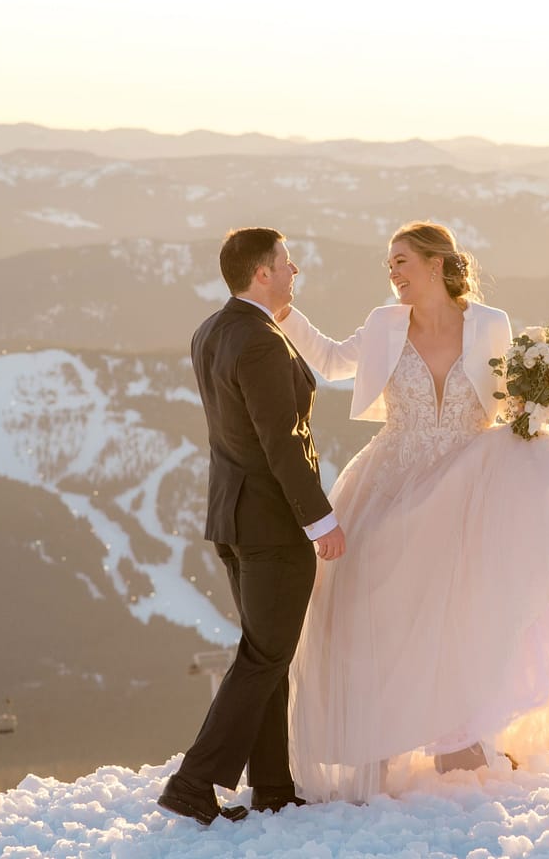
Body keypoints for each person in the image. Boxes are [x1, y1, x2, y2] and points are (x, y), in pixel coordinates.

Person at [276, 221, 549, 803]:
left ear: (437, 264)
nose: (392, 273)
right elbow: (329, 360)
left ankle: (457, 736)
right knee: (380, 602)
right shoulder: (384, 324)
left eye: (401, 262)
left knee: (465, 607)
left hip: (472, 481)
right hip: (394, 479)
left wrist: (541, 403)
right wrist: (281, 310)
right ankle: (385, 733)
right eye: (388, 265)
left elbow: (509, 401)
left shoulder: (490, 325)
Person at [158, 227, 346, 826]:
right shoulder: (261, 341)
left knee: (267, 652)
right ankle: (192, 782)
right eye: (288, 265)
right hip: (270, 525)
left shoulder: (209, 331)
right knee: (264, 656)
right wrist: (320, 519)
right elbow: (282, 443)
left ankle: (272, 786)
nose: (296, 274)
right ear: (262, 273)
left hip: (231, 517)